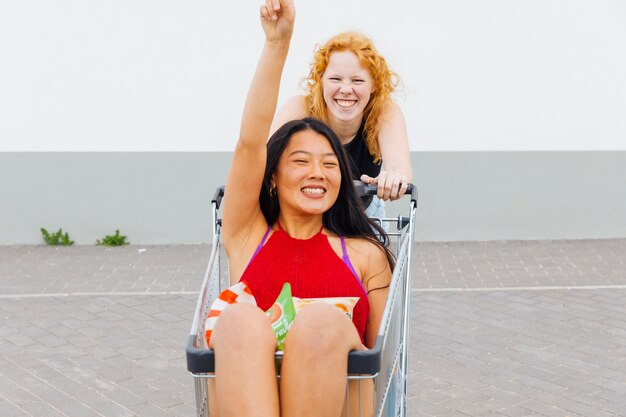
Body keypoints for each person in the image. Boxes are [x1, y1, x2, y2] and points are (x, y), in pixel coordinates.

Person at [208, 1, 393, 416]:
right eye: (300, 161)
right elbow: (251, 143)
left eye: (330, 164)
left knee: (320, 322)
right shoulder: (248, 235)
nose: (318, 173)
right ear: (271, 176)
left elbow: (383, 365)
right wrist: (277, 44)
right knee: (238, 320)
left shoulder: (365, 255)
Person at [270, 25, 413, 218]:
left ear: (373, 85)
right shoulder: (300, 108)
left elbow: (400, 166)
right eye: (335, 79)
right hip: (304, 212)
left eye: (357, 81)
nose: (346, 89)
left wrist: (394, 177)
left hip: (361, 215)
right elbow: (265, 161)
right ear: (321, 82)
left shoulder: (383, 113)